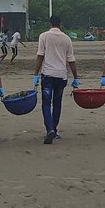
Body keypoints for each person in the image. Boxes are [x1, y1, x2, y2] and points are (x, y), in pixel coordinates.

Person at [34, 15, 79, 144]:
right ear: (60, 24)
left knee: (46, 103)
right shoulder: (67, 39)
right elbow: (71, 60)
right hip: (61, 75)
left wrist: (35, 74)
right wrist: (75, 77)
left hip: (48, 74)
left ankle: (49, 129)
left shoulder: (44, 36)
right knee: (57, 103)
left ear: (50, 23)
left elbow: (40, 56)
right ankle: (54, 128)